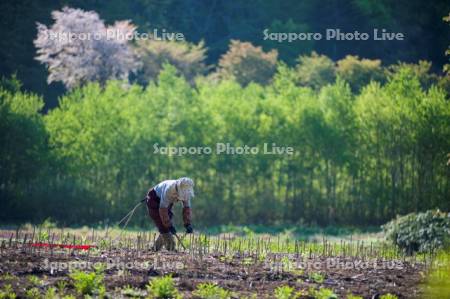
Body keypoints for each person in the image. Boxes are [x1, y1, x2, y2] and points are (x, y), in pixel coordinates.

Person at [145, 177, 194, 251]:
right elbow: (163, 210)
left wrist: (188, 223)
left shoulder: (186, 192)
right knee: (164, 226)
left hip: (166, 204)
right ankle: (171, 249)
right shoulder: (169, 189)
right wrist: (169, 225)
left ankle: (155, 248)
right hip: (154, 199)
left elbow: (186, 208)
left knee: (166, 226)